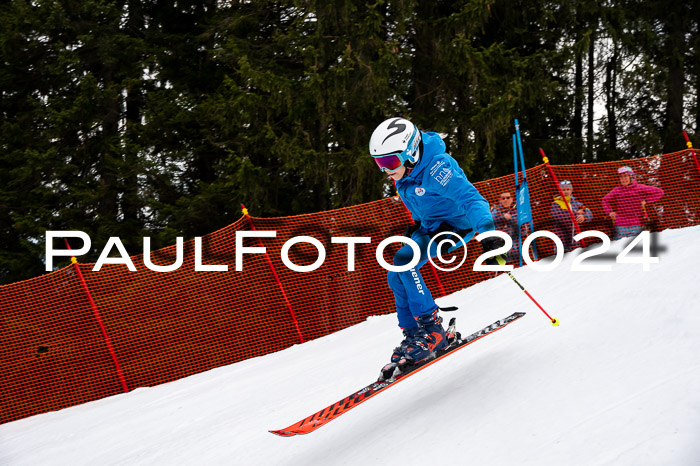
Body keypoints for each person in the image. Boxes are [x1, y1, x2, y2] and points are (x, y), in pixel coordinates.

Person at [369, 117, 503, 379]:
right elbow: (423, 202)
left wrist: (488, 234)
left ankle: (432, 330)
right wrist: (417, 224)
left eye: (389, 162)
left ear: (410, 153)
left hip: (455, 227)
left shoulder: (437, 169)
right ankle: (414, 335)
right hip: (430, 227)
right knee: (395, 270)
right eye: (379, 163)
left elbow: (470, 198)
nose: (385, 170)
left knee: (405, 264)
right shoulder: (405, 172)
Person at [602, 166, 664, 240]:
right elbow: (605, 200)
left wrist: (646, 200)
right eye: (621, 177)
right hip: (620, 226)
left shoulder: (639, 188)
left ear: (631, 177)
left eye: (625, 176)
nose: (623, 179)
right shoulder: (617, 190)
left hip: (636, 224)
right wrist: (610, 212)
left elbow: (659, 192)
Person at [550, 180, 592, 252]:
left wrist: (584, 217)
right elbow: (557, 216)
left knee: (575, 256)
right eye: (563, 190)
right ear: (560, 191)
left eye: (568, 189)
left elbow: (589, 213)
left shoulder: (577, 204)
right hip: (561, 236)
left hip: (575, 237)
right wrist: (575, 214)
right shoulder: (556, 203)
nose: (566, 192)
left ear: (571, 190)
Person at [491, 191, 529, 263]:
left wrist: (511, 218)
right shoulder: (496, 211)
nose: (506, 200)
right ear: (500, 200)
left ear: (512, 199)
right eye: (503, 198)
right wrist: (503, 217)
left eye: (508, 198)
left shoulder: (519, 208)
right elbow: (492, 221)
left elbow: (525, 220)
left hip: (518, 236)